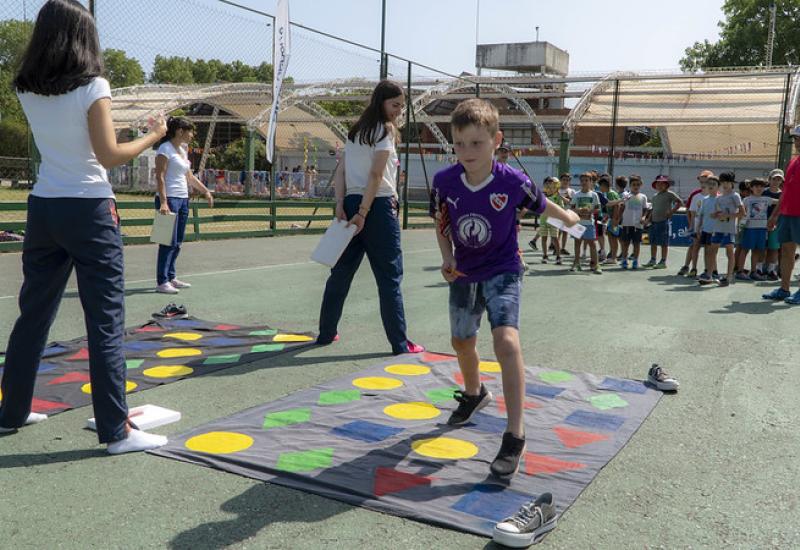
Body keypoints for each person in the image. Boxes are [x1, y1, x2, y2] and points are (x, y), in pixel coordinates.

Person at [0, 0, 168, 454]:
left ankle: (11, 412)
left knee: (33, 315)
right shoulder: (94, 84)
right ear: (84, 38)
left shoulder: (25, 88)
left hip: (44, 209)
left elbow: (77, 136)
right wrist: (154, 135)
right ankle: (117, 432)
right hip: (89, 211)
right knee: (105, 321)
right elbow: (109, 155)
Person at [430, 98, 579, 477]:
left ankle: (514, 434)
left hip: (504, 269)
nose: (467, 152)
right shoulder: (444, 182)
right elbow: (442, 224)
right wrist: (447, 257)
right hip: (465, 274)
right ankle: (475, 393)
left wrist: (569, 217)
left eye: (476, 143)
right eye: (459, 144)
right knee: (462, 342)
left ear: (497, 141)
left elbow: (543, 206)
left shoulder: (514, 181)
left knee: (506, 343)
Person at [317, 81, 422, 354]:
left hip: (352, 202)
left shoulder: (355, 132)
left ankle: (326, 333)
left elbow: (341, 172)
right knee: (389, 277)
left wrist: (341, 204)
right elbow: (376, 176)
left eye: (402, 106)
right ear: (381, 102)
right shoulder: (384, 131)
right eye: (395, 105)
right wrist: (364, 212)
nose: (399, 111)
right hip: (376, 206)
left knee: (340, 274)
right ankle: (400, 344)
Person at [154, 117, 214, 294]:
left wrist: (205, 191)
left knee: (177, 242)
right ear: (180, 131)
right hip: (169, 200)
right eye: (190, 131)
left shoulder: (182, 150)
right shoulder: (164, 149)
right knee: (167, 241)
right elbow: (160, 177)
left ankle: (171, 277)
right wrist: (164, 202)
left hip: (182, 199)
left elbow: (189, 177)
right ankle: (162, 281)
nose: (192, 135)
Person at [764, 126, 800, 303]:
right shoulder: (793, 162)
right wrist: (774, 215)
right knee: (786, 251)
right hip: (787, 214)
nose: (797, 142)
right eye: (795, 139)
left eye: (798, 139)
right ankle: (784, 289)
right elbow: (785, 192)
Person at [702, 173, 744, 287]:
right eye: (723, 182)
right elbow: (718, 212)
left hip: (729, 229)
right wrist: (715, 215)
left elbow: (742, 213)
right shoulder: (719, 197)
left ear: (732, 183)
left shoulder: (735, 196)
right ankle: (709, 275)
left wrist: (728, 216)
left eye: (727, 182)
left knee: (729, 252)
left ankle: (728, 277)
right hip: (718, 228)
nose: (725, 184)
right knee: (712, 251)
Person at [678, 170, 713, 276]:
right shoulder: (695, 195)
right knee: (694, 246)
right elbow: (690, 211)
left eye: (706, 181)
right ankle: (689, 267)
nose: (703, 184)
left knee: (709, 249)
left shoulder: (716, 195)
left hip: (709, 227)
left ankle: (709, 270)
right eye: (701, 181)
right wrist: (691, 226)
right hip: (697, 227)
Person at [740, 179, 777, 281]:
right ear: (751, 188)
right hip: (749, 228)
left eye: (761, 186)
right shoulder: (746, 200)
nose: (759, 188)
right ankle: (740, 271)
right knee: (745, 249)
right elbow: (741, 212)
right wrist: (740, 225)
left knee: (757, 250)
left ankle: (753, 271)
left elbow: (780, 201)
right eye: (756, 186)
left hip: (762, 229)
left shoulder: (766, 199)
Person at [645, 175, 683, 269]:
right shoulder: (654, 196)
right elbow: (652, 209)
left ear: (666, 185)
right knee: (653, 242)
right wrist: (648, 219)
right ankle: (653, 259)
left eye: (663, 183)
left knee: (663, 243)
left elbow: (679, 202)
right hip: (653, 222)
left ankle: (663, 261)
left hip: (663, 221)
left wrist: (671, 212)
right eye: (658, 183)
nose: (660, 185)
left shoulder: (669, 194)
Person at [569, 172, 602, 274]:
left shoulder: (594, 194)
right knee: (577, 243)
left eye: (586, 180)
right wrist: (579, 210)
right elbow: (572, 208)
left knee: (592, 244)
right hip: (578, 223)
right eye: (582, 180)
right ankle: (576, 263)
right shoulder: (576, 194)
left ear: (591, 182)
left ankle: (595, 264)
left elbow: (598, 209)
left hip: (589, 223)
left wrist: (590, 211)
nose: (584, 182)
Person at [618, 175, 650, 270]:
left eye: (637, 185)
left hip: (638, 225)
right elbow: (621, 207)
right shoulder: (626, 196)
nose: (635, 186)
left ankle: (635, 260)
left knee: (636, 244)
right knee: (625, 243)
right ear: (630, 185)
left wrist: (644, 217)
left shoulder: (643, 197)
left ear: (640, 185)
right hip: (626, 224)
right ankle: (624, 260)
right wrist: (618, 218)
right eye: (633, 184)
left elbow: (645, 209)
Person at [696, 177, 720, 284]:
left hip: (715, 231)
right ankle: (707, 271)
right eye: (709, 184)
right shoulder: (705, 200)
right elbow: (701, 215)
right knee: (706, 251)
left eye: (714, 184)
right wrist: (698, 228)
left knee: (712, 252)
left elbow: (722, 213)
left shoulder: (720, 199)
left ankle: (714, 272)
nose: (711, 186)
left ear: (718, 186)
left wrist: (717, 215)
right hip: (705, 230)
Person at [763, 168, 784, 280]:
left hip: (776, 225)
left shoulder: (782, 194)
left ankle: (772, 269)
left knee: (774, 248)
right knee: (762, 247)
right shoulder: (763, 192)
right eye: (774, 179)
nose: (776, 181)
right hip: (761, 224)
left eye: (778, 179)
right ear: (769, 179)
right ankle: (761, 268)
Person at [538, 177, 564, 264]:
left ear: (556, 187)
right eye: (547, 186)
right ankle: (545, 255)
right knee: (544, 238)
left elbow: (562, 208)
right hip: (543, 220)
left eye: (552, 186)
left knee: (555, 238)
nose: (550, 188)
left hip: (554, 221)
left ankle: (558, 256)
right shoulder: (542, 196)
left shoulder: (558, 197)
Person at [733, 180, 753, 280]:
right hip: (741, 226)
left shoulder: (746, 199)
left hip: (744, 226)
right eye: (747, 190)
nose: (749, 192)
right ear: (741, 191)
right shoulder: (742, 200)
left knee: (740, 247)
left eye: (750, 190)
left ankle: (736, 266)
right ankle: (735, 267)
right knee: (740, 247)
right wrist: (740, 227)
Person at [558, 174, 575, 254]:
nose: (565, 181)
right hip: (557, 213)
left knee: (565, 231)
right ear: (560, 180)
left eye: (567, 180)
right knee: (558, 232)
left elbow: (572, 202)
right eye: (564, 179)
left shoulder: (572, 191)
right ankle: (556, 247)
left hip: (567, 213)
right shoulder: (556, 190)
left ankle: (563, 248)